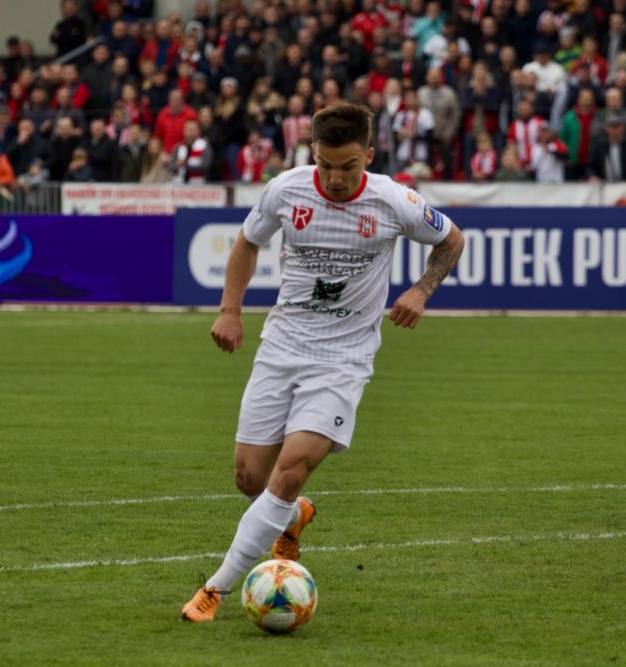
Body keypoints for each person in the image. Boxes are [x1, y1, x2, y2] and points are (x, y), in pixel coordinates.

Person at [180, 102, 464, 623]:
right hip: (281, 347)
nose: (335, 178)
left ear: (369, 156)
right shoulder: (285, 189)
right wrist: (230, 310)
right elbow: (247, 241)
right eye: (325, 164)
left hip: (343, 359)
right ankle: (294, 517)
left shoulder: (394, 200)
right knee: (250, 478)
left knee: (289, 471)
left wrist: (421, 291)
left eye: (348, 166)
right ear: (312, 152)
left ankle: (214, 590)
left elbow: (451, 239)